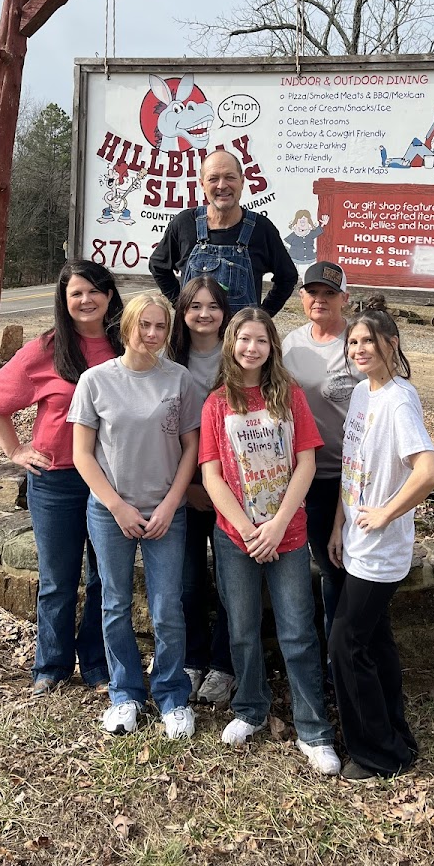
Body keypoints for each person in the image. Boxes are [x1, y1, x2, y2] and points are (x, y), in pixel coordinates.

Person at [199, 307, 341, 776]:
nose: (252, 348)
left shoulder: (289, 395)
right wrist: (246, 529)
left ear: (271, 347)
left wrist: (278, 525)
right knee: (241, 629)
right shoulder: (217, 403)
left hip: (288, 534)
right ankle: (250, 708)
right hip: (235, 537)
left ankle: (313, 729)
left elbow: (306, 463)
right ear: (231, 344)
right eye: (244, 339)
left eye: (261, 340)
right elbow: (211, 474)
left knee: (297, 632)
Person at [0, 260, 124, 698]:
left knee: (104, 579)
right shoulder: (47, 348)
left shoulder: (126, 343)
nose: (86, 300)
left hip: (112, 479)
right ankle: (52, 665)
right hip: (57, 480)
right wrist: (14, 450)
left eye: (94, 290)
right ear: (64, 301)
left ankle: (98, 663)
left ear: (109, 295)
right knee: (58, 579)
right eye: (76, 293)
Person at [68, 292, 203, 739]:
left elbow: (191, 448)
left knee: (167, 608)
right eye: (144, 324)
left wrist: (170, 503)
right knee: (114, 603)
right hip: (111, 511)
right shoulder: (95, 381)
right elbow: (83, 454)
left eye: (160, 326)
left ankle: (171, 695)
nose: (152, 334)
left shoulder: (179, 380)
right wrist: (116, 506)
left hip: (166, 511)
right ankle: (125, 693)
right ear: (126, 326)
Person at [327, 300, 434, 781]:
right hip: (355, 541)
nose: (358, 349)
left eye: (368, 341)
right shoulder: (362, 393)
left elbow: (429, 471)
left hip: (381, 550)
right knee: (375, 641)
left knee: (345, 643)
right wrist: (340, 523)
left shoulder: (398, 400)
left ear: (391, 344)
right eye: (353, 342)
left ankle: (378, 753)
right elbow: (352, 465)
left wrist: (386, 512)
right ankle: (395, 735)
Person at [281, 262, 362, 640]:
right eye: (312, 292)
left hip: (348, 476)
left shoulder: (358, 342)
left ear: (345, 298)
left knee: (343, 565)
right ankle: (332, 652)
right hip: (301, 475)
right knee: (322, 564)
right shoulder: (291, 344)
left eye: (329, 293)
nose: (319, 300)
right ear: (301, 297)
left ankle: (345, 652)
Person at [169, 274, 236, 707]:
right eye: (195, 306)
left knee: (232, 582)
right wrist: (188, 487)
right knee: (188, 581)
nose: (204, 314)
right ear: (183, 312)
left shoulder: (240, 356)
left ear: (225, 313)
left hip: (237, 490)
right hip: (184, 487)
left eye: (213, 306)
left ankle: (225, 665)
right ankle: (193, 658)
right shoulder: (169, 359)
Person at [148, 150, 298, 314]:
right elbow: (158, 266)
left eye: (230, 177)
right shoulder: (184, 224)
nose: (222, 185)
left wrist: (262, 317)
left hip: (241, 330)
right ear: (202, 184)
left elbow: (287, 277)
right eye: (213, 179)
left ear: (242, 181)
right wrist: (181, 305)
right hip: (194, 331)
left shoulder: (261, 229)